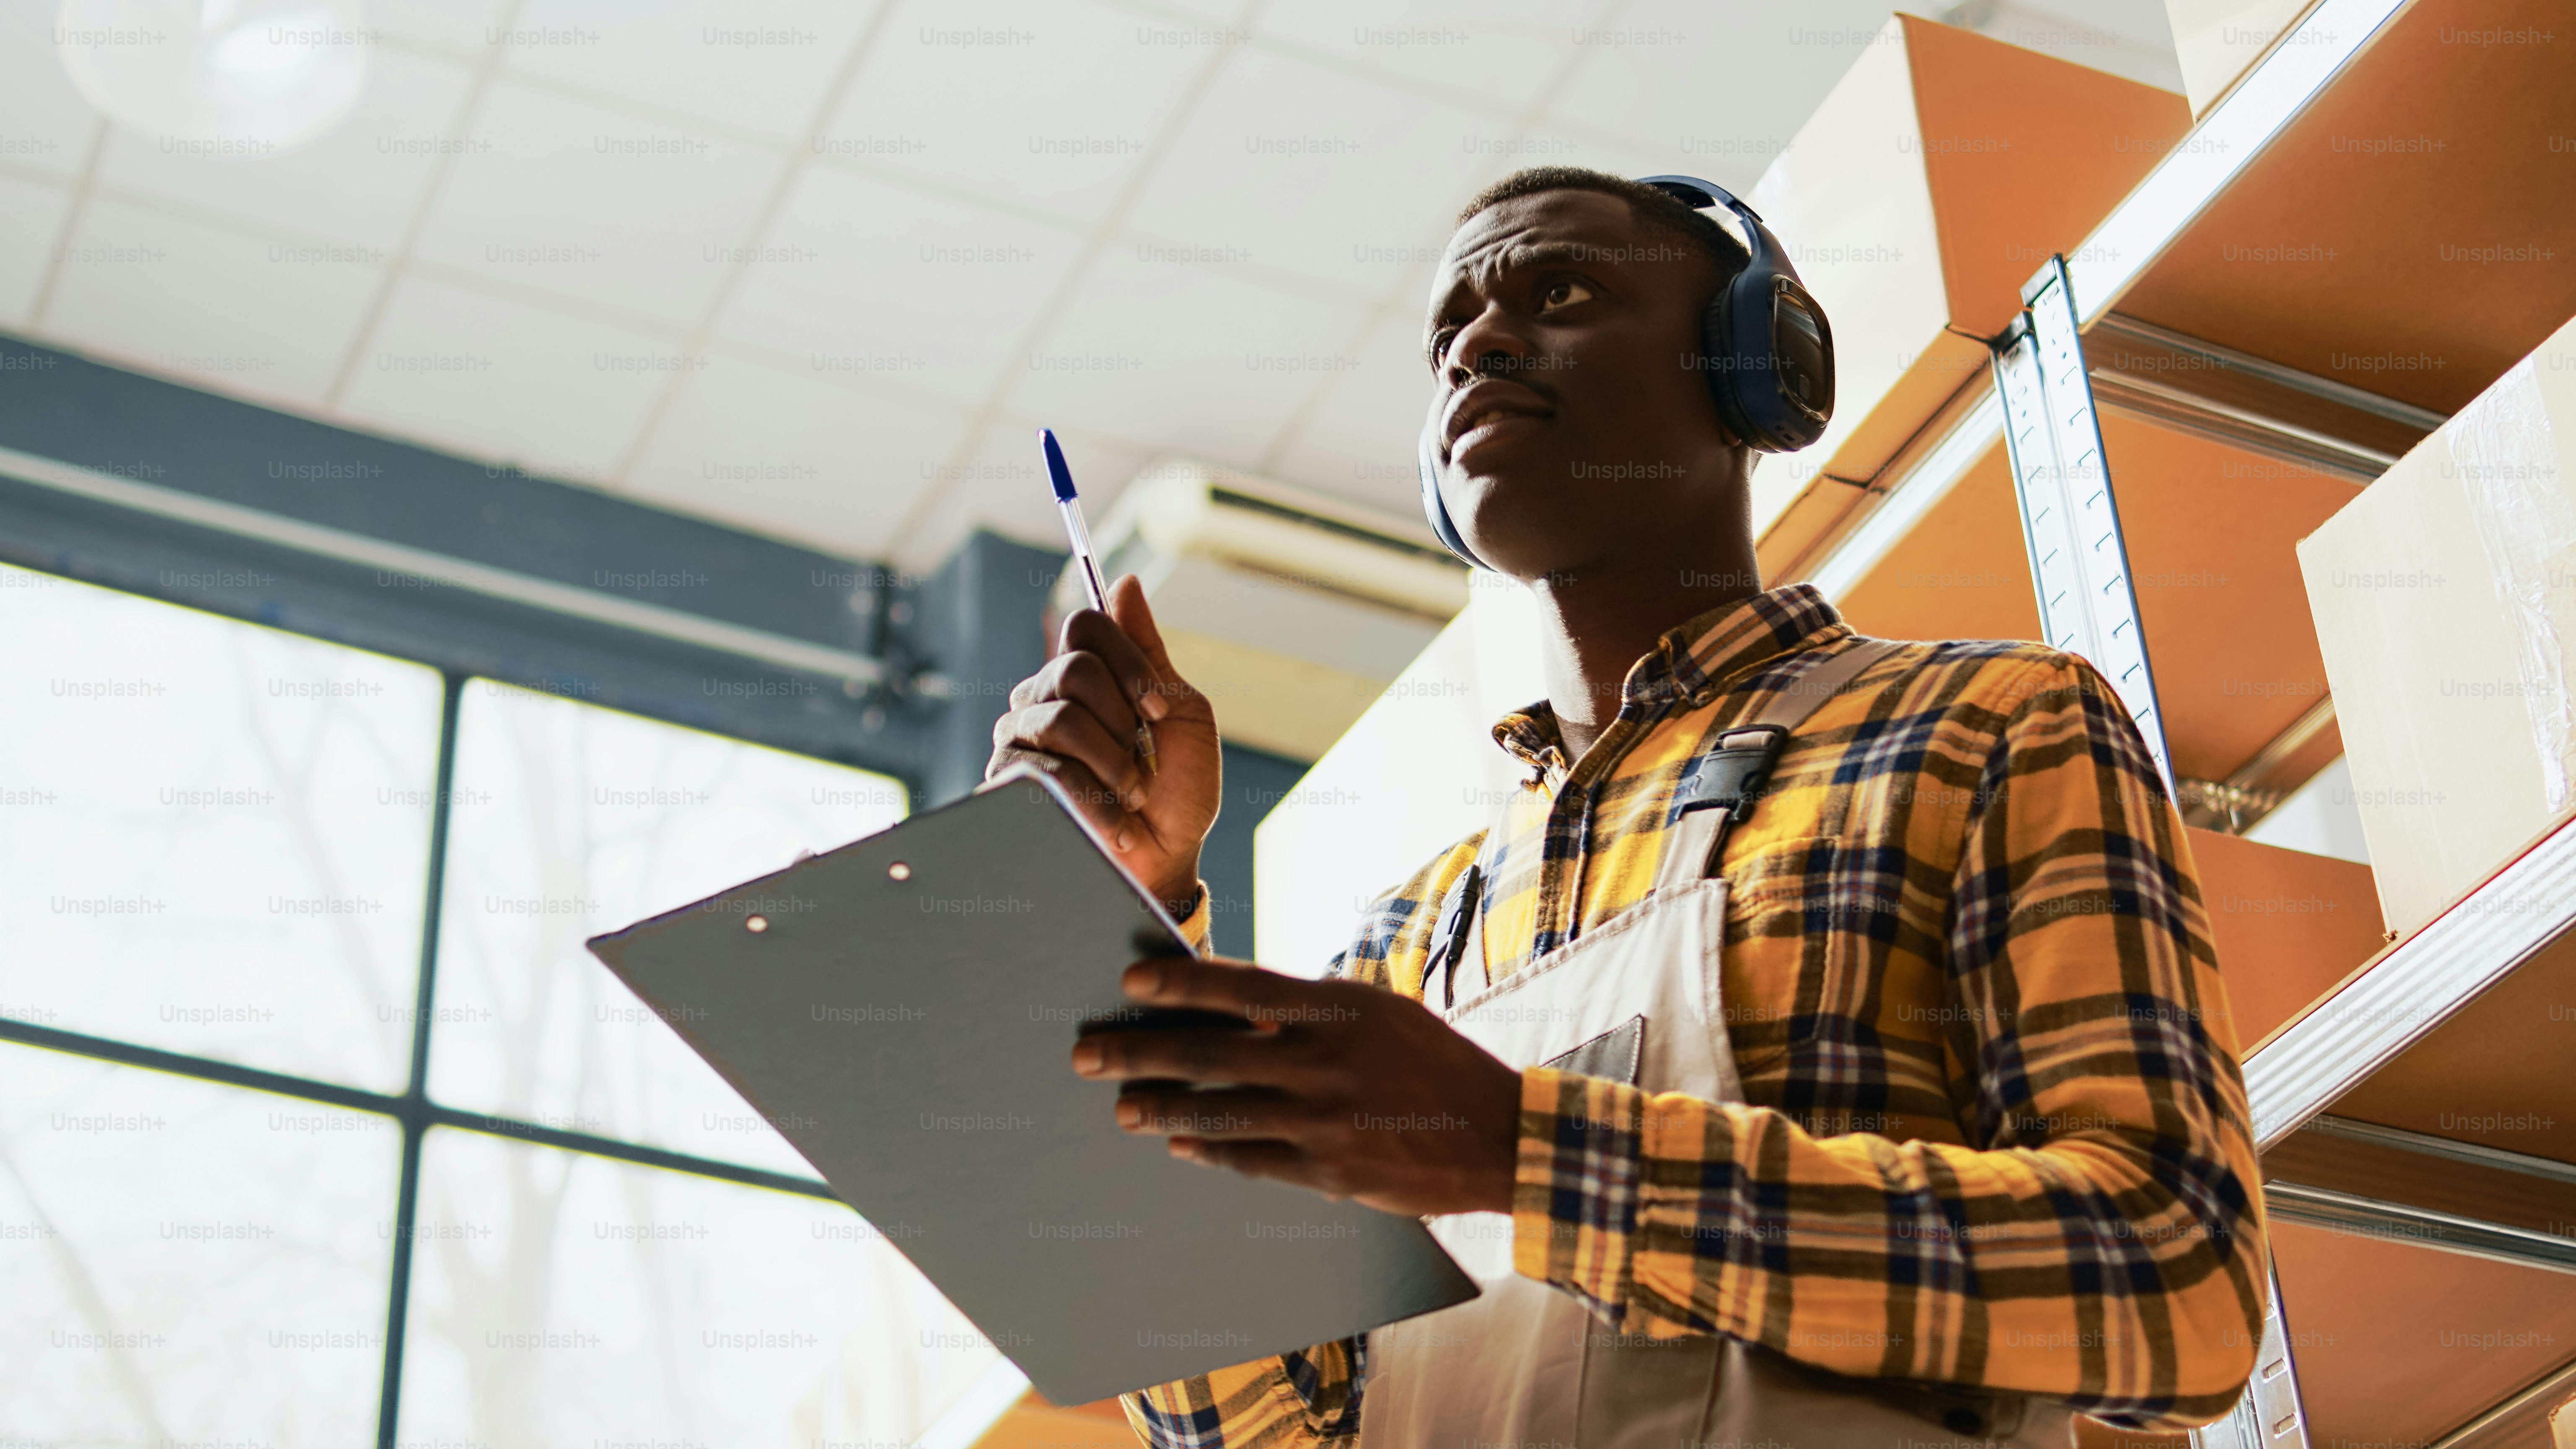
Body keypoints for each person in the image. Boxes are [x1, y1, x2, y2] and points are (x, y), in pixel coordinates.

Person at [987, 166, 2264, 1446]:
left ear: (1750, 373)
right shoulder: (1408, 942)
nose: (1477, 345)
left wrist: (1524, 1151)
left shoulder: (1983, 729)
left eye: (1560, 291)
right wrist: (1118, 910)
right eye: (1447, 339)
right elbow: (1263, 1433)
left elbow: (2176, 1290)